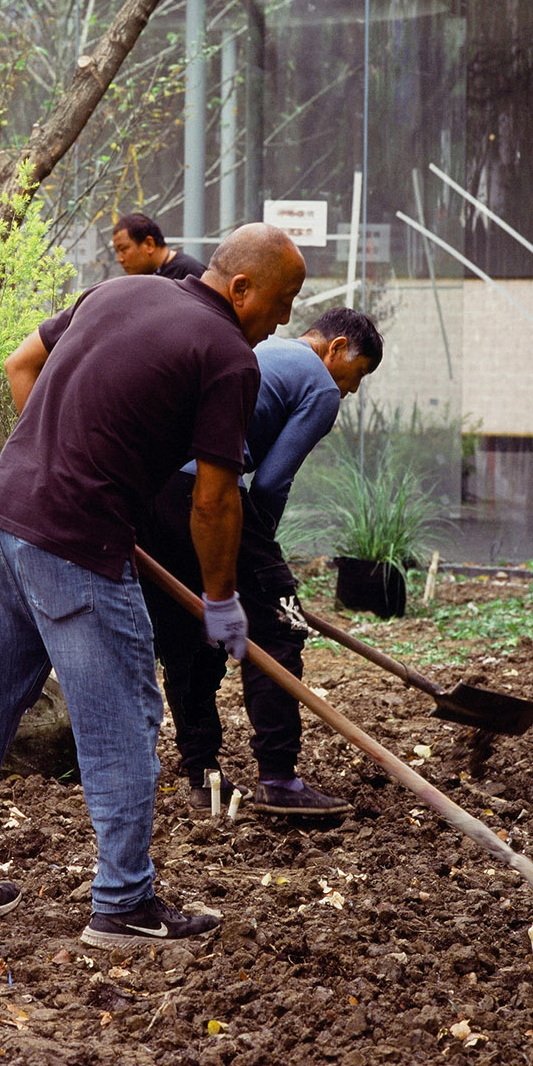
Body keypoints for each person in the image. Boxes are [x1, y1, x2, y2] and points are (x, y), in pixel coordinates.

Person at [0, 224, 307, 948]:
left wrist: (65, 470)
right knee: (123, 720)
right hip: (75, 547)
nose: (282, 321)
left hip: (0, 522)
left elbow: (20, 363)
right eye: (283, 302)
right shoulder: (226, 356)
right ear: (244, 288)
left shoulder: (122, 290)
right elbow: (216, 500)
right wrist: (222, 601)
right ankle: (124, 903)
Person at [137, 306, 383, 816]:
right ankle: (279, 778)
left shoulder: (266, 353)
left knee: (191, 634)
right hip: (205, 491)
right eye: (356, 375)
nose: (351, 391)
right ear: (335, 349)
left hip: (156, 494)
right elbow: (270, 482)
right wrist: (262, 562)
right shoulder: (318, 384)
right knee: (280, 625)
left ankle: (204, 777)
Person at [112, 211, 206, 280]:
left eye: (123, 250)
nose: (120, 259)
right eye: (117, 252)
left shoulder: (191, 274)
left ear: (149, 244)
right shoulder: (143, 277)